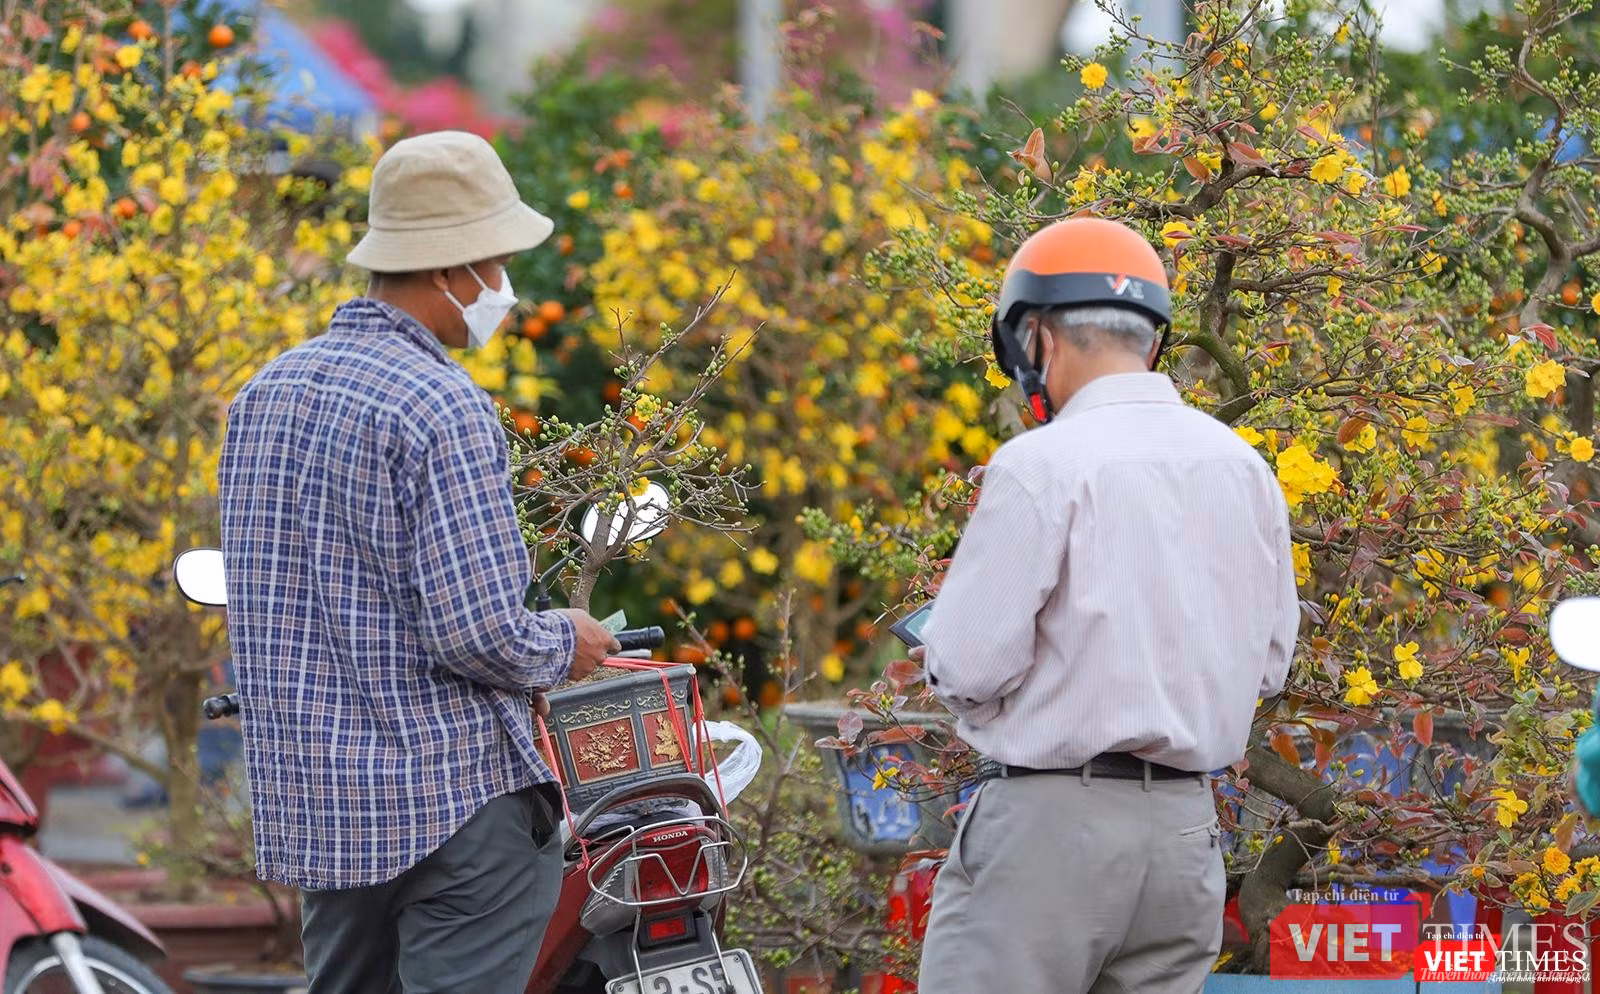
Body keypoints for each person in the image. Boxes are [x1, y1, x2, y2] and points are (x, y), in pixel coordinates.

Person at [218, 130, 620, 994]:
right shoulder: (442, 405)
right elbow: (477, 632)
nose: (504, 290)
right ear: (450, 272)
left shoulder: (263, 396)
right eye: (498, 267)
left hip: (327, 807)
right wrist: (565, 642)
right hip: (452, 799)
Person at [911, 217, 1300, 994]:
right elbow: (1269, 664)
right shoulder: (1243, 467)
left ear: (1038, 339)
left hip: (1052, 830)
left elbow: (966, 666)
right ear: (1152, 341)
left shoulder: (1040, 464)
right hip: (1185, 835)